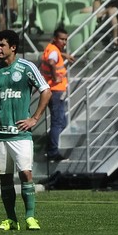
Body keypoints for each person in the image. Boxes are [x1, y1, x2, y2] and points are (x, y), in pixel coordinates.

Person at [0, 30, 51, 231]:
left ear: (13, 47)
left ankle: (30, 217)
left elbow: (46, 91)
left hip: (21, 134)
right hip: (0, 134)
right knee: (4, 177)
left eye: (2, 44)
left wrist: (34, 118)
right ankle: (11, 219)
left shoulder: (27, 68)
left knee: (26, 174)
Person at [40, 28, 75, 162]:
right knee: (58, 123)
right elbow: (51, 62)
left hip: (51, 90)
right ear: (55, 38)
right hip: (55, 90)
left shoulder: (51, 48)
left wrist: (64, 55)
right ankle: (53, 153)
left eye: (66, 39)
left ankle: (50, 148)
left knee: (63, 122)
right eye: (62, 39)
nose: (64, 42)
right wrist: (55, 77)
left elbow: (53, 56)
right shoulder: (54, 52)